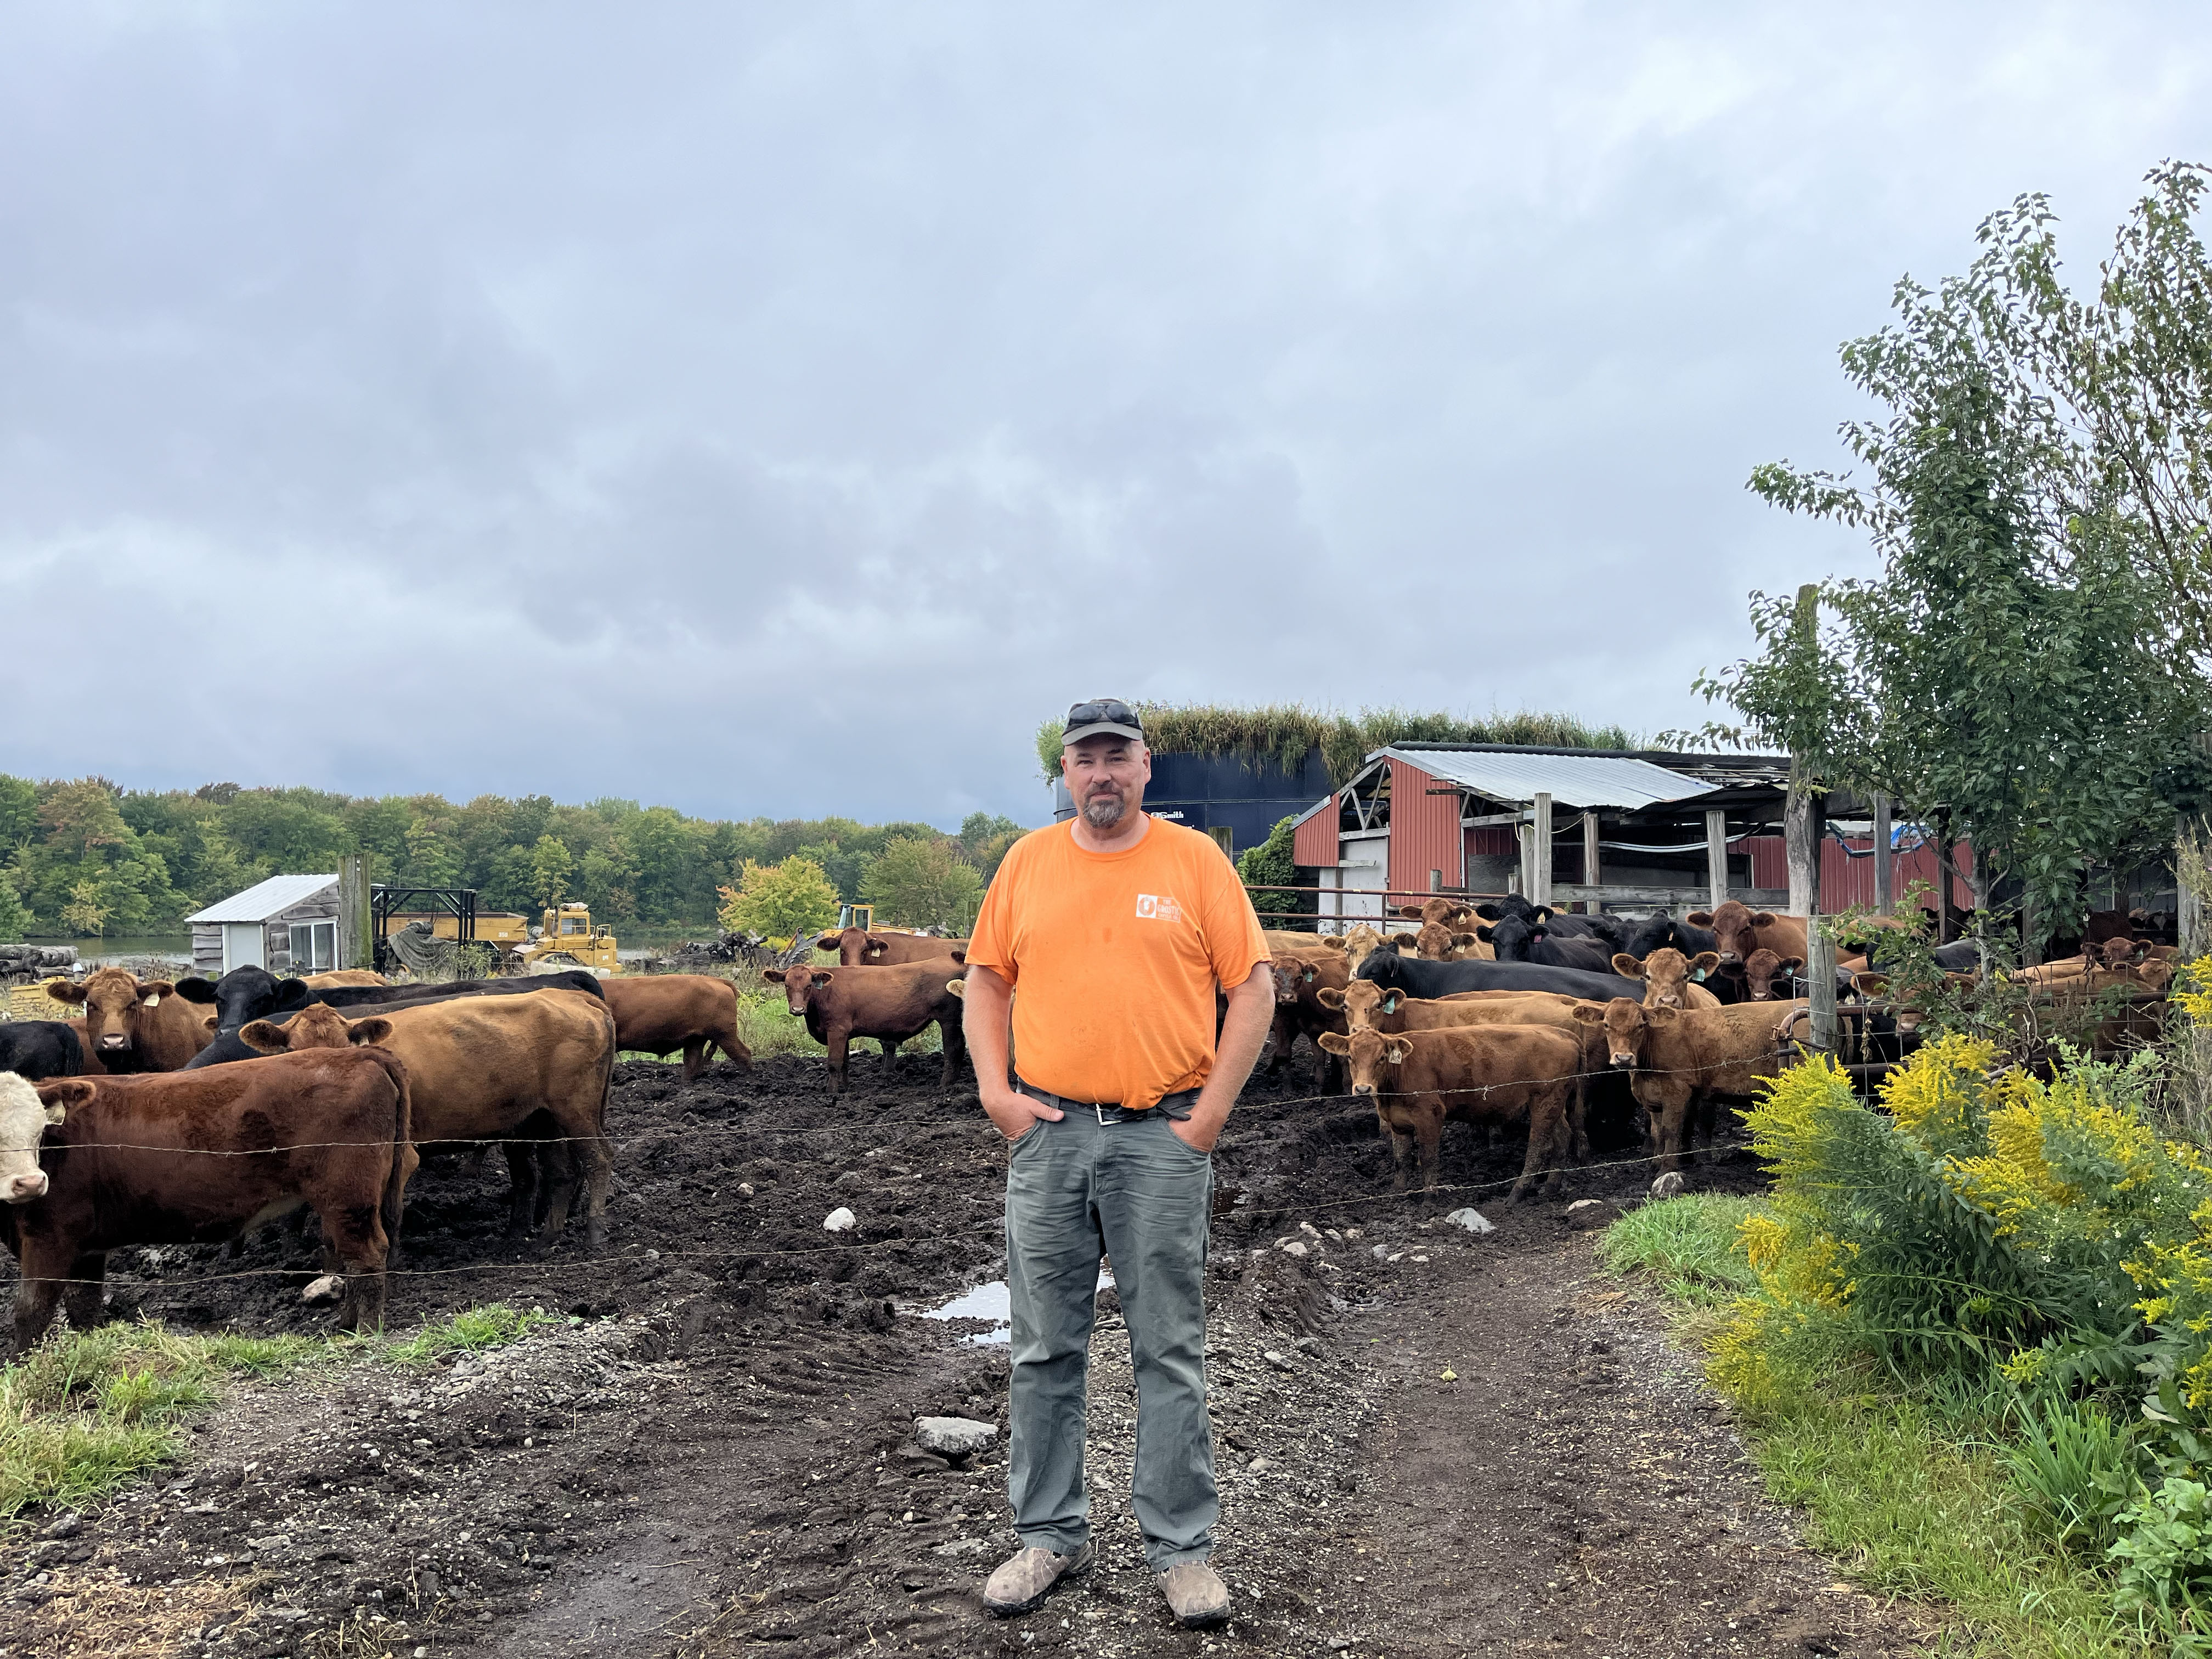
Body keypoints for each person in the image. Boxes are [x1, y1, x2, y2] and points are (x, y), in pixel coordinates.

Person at [962, 698, 1276, 1629]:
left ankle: (1183, 1552)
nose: (1101, 774)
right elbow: (985, 979)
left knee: (1167, 1348)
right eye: (1084, 759)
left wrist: (1210, 1114)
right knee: (1044, 1345)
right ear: (1065, 771)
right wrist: (995, 1093)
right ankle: (1048, 1536)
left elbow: (1250, 985)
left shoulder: (1194, 862)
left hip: (1161, 1139)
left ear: (1147, 768)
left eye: (1118, 757)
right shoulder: (1027, 863)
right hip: (1050, 1137)